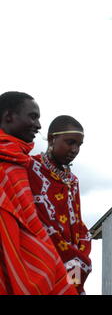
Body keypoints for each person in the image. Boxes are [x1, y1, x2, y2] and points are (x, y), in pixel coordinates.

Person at [0, 91, 77, 295]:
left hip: (60, 255)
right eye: (33, 116)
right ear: (8, 116)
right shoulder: (29, 166)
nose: (39, 125)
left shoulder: (19, 161)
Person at [27, 115, 92, 294]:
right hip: (38, 255)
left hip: (73, 259)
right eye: (70, 142)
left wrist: (81, 252)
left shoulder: (72, 180)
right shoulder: (29, 167)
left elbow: (77, 222)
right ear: (51, 139)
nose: (75, 149)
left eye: (79, 145)